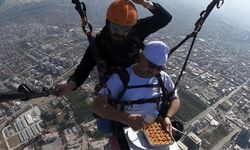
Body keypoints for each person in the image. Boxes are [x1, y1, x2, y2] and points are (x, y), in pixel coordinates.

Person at [55, 0, 172, 95]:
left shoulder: (137, 30)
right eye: (116, 28)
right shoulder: (99, 43)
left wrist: (145, 3)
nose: (121, 32)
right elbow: (84, 68)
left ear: (132, 26)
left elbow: (165, 18)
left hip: (138, 76)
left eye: (126, 29)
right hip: (114, 84)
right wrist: (70, 84)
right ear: (108, 23)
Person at [91, 41, 180, 148]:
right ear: (141, 57)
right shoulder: (121, 78)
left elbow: (175, 98)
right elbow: (97, 106)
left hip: (154, 125)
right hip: (125, 128)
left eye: (159, 68)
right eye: (151, 66)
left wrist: (168, 117)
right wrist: (126, 118)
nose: (154, 71)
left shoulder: (163, 78)